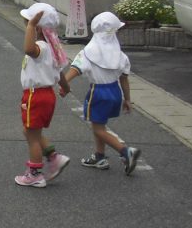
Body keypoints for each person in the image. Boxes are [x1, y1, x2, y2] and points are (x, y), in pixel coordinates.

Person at [60, 11, 141, 175]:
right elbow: (124, 79)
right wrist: (127, 99)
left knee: (98, 128)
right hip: (115, 91)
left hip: (98, 93)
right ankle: (99, 156)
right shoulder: (121, 55)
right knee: (100, 124)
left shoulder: (88, 52)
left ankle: (125, 151)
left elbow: (75, 70)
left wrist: (63, 84)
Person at [15, 2, 71, 188]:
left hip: (35, 96)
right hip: (47, 95)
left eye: (27, 23)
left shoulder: (40, 47)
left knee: (32, 135)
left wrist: (31, 26)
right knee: (31, 130)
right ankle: (53, 157)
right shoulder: (52, 48)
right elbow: (59, 71)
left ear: (38, 29)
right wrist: (65, 86)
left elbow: (29, 50)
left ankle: (35, 174)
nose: (26, 25)